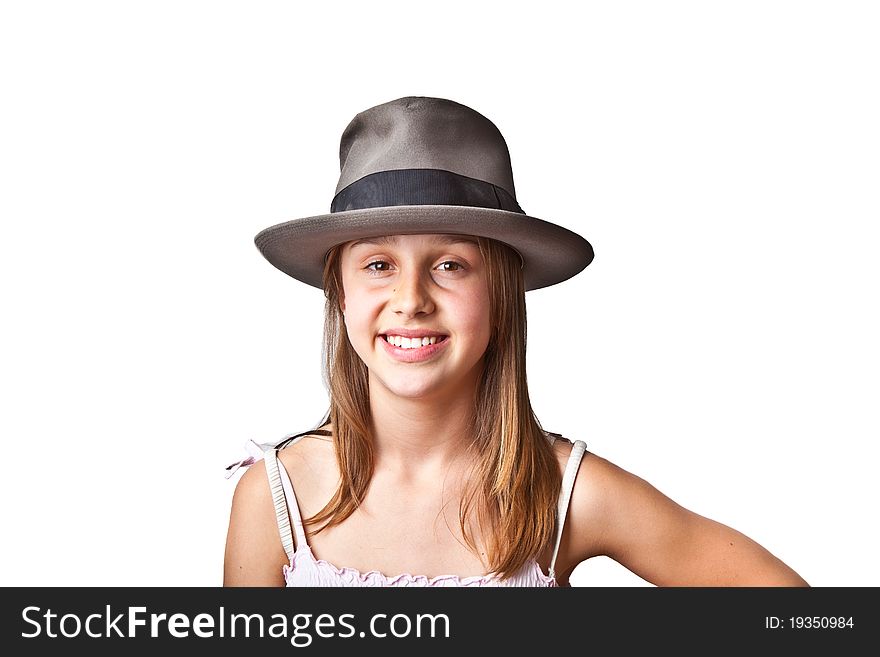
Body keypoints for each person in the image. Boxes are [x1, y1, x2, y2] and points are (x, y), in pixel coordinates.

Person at [223, 96, 808, 587]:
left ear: (502, 295)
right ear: (340, 294)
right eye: (378, 264)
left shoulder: (566, 493)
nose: (411, 299)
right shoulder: (276, 498)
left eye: (451, 264)